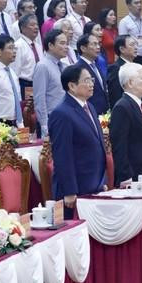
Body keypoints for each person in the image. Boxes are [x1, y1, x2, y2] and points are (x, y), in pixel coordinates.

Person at [49, 65, 106, 216]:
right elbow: (62, 155)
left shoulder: (90, 107)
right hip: (76, 190)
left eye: (92, 80)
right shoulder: (61, 113)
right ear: (72, 86)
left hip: (94, 185)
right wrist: (69, 190)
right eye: (87, 80)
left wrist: (102, 181)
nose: (91, 84)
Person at [110, 62, 142, 186]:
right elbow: (119, 145)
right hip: (134, 174)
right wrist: (125, 175)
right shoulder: (122, 107)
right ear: (130, 83)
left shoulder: (140, 105)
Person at [33, 29, 67, 133]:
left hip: (66, 116)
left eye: (67, 43)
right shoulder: (42, 66)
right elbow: (39, 98)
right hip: (52, 118)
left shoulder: (64, 66)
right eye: (62, 43)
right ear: (51, 45)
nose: (66, 47)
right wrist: (44, 125)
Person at [78, 33, 108, 115]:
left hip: (104, 112)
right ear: (83, 48)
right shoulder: (79, 68)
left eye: (98, 44)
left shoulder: (95, 65)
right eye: (94, 44)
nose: (98, 47)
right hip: (90, 112)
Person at [12, 14, 43, 94]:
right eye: (32, 25)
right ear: (23, 28)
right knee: (29, 106)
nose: (36, 27)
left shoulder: (38, 46)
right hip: (26, 85)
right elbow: (15, 72)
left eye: (37, 24)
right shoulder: (18, 46)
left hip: (40, 84)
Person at [118, 0, 142, 66]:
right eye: (136, 3)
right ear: (129, 6)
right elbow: (123, 42)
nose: (139, 5)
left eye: (140, 2)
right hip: (132, 57)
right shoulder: (124, 22)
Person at [107, 35, 137, 107]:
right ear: (122, 49)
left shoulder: (135, 66)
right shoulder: (116, 68)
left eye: (136, 44)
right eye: (132, 45)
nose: (136, 47)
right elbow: (115, 95)